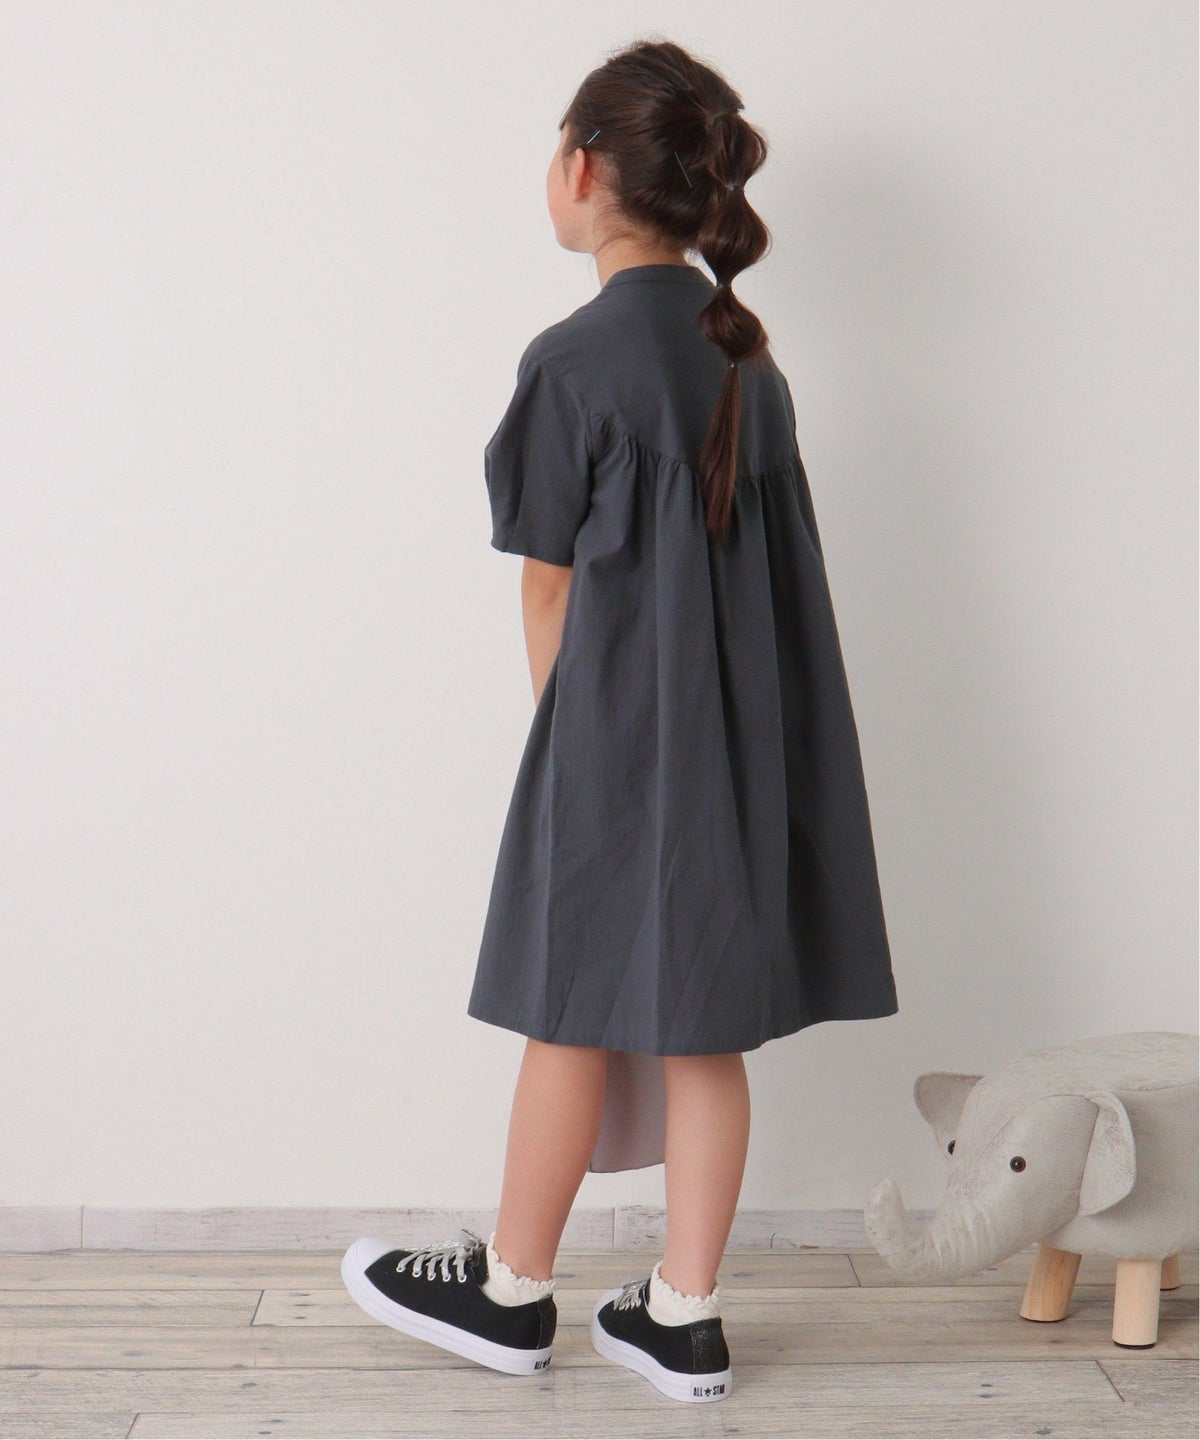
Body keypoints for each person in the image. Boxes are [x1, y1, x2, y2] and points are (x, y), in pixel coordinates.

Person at [342, 36, 899, 1405]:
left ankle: (511, 1291)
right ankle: (685, 1317)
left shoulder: (574, 361)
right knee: (703, 1028)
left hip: (610, 740)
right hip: (741, 752)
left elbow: (548, 591)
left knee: (564, 1005)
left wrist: (572, 750)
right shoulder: (750, 366)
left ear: (584, 169)